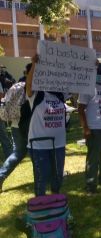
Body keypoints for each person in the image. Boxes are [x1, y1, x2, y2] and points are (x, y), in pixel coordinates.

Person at [26, 56, 67, 196]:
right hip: (39, 146)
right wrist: (34, 65)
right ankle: (40, 207)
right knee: (41, 178)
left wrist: (91, 67)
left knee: (58, 177)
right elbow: (29, 85)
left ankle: (56, 202)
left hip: (58, 145)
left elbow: (81, 84)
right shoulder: (36, 95)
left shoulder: (61, 95)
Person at [78, 62, 101, 195]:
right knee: (93, 158)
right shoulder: (87, 88)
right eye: (96, 73)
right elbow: (80, 109)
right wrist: (86, 128)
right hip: (94, 128)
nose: (98, 75)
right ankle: (90, 185)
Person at [0, 64, 31, 192]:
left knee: (17, 153)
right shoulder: (32, 87)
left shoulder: (16, 85)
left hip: (15, 124)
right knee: (40, 150)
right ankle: (48, 176)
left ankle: (1, 176)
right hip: (30, 125)